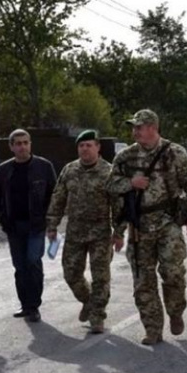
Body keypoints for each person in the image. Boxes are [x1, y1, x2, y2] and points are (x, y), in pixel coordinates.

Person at [106, 109, 187, 345]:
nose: (135, 130)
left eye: (139, 126)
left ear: (153, 127)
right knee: (142, 281)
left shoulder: (174, 153)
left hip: (167, 222)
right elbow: (110, 185)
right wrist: (131, 183)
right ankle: (153, 329)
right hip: (139, 226)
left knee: (173, 273)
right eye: (134, 126)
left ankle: (176, 311)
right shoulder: (126, 157)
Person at [46, 130, 124, 334]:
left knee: (101, 276)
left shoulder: (109, 172)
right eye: (81, 146)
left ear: (98, 147)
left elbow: (118, 204)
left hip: (100, 231)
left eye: (89, 145)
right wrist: (52, 225)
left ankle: (97, 316)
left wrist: (119, 232)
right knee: (71, 273)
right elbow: (58, 198)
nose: (85, 149)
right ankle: (88, 301)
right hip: (75, 230)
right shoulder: (69, 170)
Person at [0, 129, 57, 323]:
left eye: (25, 142)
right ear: (11, 146)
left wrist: (49, 220)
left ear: (30, 144)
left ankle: (34, 305)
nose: (22, 146)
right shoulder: (4, 170)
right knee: (19, 266)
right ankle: (25, 304)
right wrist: (3, 220)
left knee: (33, 262)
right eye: (18, 143)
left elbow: (55, 195)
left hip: (36, 225)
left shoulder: (43, 167)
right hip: (13, 226)